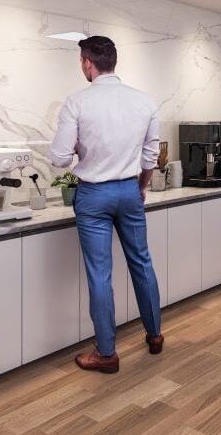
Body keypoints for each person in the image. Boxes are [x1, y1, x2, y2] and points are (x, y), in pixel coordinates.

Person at [51, 36, 163, 374]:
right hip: (130, 191)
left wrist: (78, 150)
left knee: (100, 274)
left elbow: (58, 158)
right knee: (141, 262)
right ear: (114, 61)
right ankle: (155, 335)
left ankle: (107, 354)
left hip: (93, 195)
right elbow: (151, 156)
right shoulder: (143, 101)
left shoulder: (76, 103)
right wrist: (141, 187)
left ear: (87, 62)